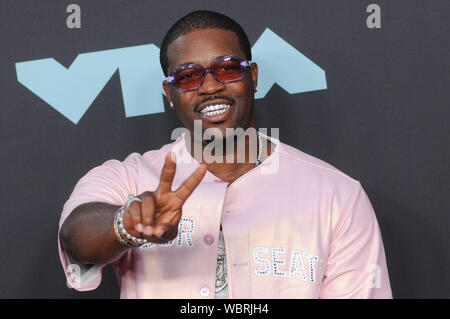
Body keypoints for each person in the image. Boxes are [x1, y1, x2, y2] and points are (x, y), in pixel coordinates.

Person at [58, 10, 392, 299]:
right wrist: (128, 224)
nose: (210, 86)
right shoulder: (128, 177)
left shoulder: (337, 195)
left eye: (228, 68)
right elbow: (77, 238)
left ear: (254, 77)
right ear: (169, 94)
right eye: (188, 76)